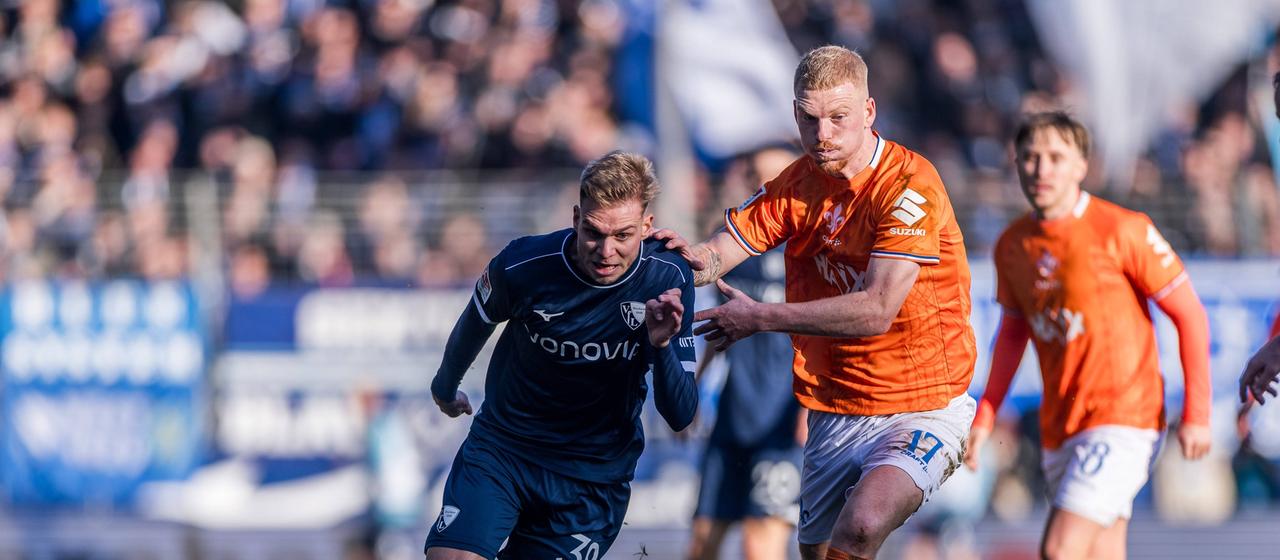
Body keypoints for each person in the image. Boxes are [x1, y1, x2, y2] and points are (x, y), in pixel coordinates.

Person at [658, 45, 978, 560]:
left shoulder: (908, 186)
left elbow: (876, 309)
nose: (822, 134)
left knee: (861, 526)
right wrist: (670, 262)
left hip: (922, 405)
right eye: (809, 119)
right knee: (820, 553)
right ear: (795, 115)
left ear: (869, 113)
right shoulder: (797, 184)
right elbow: (718, 255)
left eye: (838, 118)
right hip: (835, 406)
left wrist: (759, 317)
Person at [964, 111, 1213, 560]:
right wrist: (985, 415)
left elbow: (1190, 314)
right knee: (1102, 552)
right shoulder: (1012, 245)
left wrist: (1197, 413)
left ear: (1081, 166)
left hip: (1124, 418)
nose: (1042, 170)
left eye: (1056, 158)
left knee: (1061, 549)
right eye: (1030, 157)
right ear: (1015, 163)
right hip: (1061, 424)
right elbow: (1013, 332)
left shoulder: (1123, 229)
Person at [425, 151, 698, 559]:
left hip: (592, 481)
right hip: (505, 451)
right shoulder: (524, 264)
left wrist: (659, 345)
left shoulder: (668, 276)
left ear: (647, 226)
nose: (606, 251)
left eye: (623, 235)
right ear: (575, 217)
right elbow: (474, 325)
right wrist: (445, 388)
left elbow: (681, 414)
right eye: (593, 232)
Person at [687, 148, 806, 560]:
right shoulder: (739, 251)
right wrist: (692, 392)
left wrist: (812, 411)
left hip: (784, 421)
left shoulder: (813, 252)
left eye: (773, 178)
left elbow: (831, 338)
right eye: (756, 176)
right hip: (734, 418)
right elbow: (719, 329)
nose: (763, 188)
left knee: (761, 545)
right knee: (702, 542)